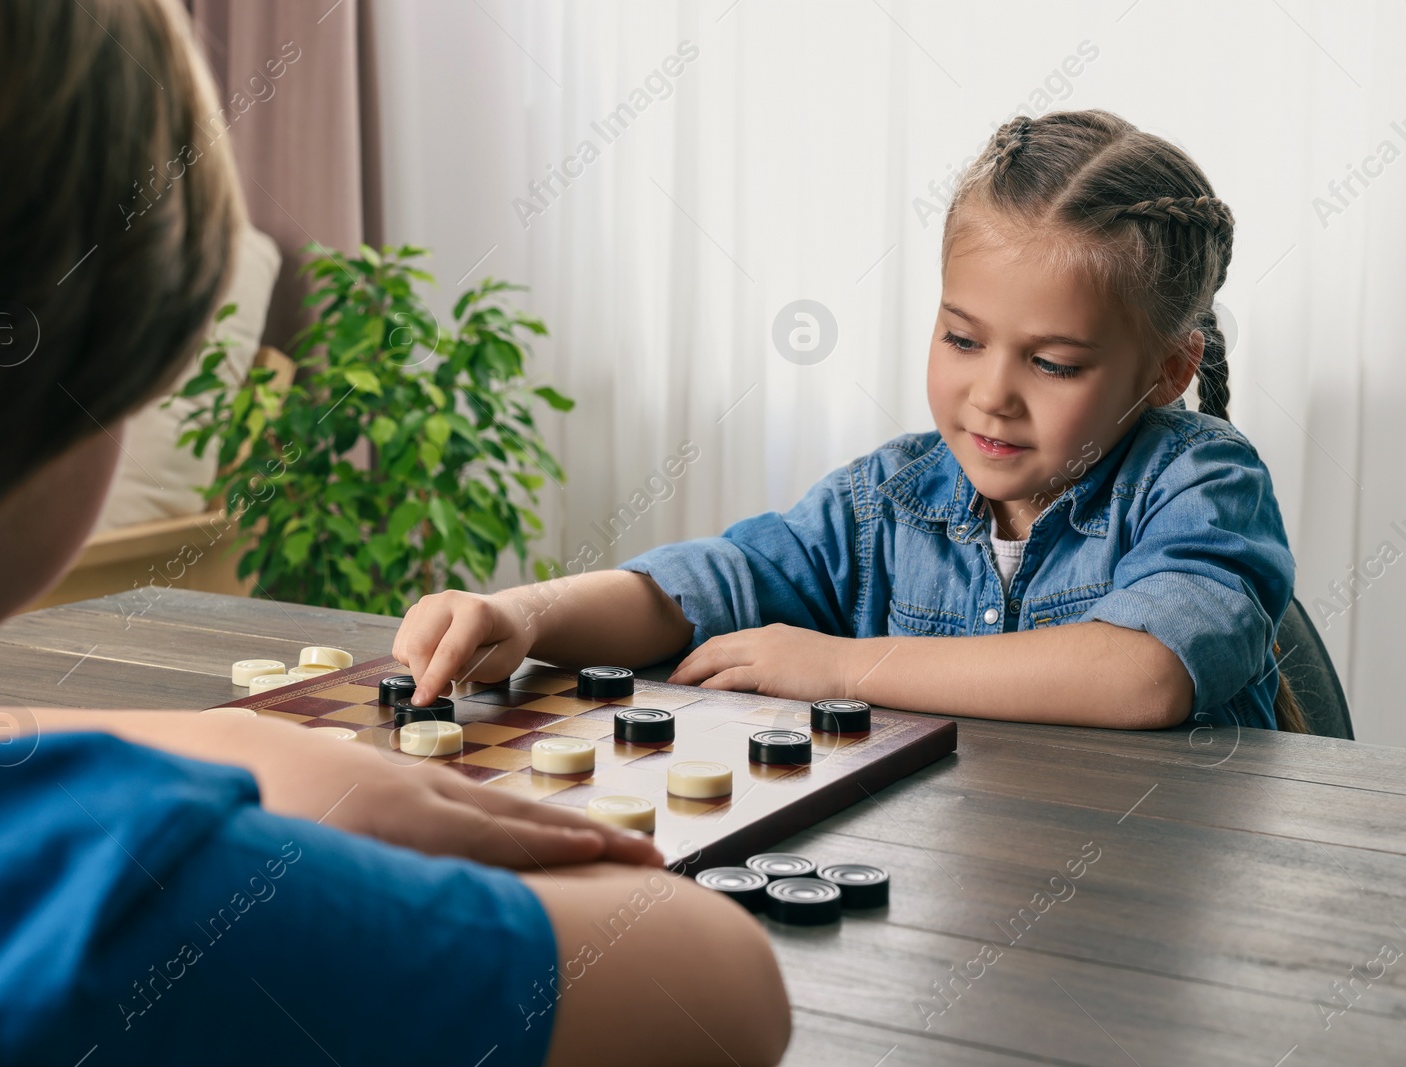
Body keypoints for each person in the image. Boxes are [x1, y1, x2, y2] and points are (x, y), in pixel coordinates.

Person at [0, 2, 790, 1065]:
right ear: (66, 387)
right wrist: (220, 803)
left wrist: (220, 738)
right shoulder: (118, 887)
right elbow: (720, 982)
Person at [398, 108, 1306, 735]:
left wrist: (843, 666)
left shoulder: (1202, 482)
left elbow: (1141, 673)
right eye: (961, 337)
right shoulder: (891, 498)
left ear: (1166, 370)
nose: (992, 392)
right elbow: (712, 584)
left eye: (1053, 362)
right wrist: (523, 612)